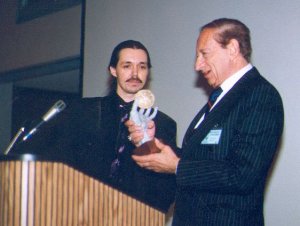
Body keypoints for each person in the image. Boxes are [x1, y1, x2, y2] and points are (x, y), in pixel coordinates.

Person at [126, 18, 284, 225]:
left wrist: (177, 167)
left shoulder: (261, 95)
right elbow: (203, 157)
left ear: (233, 48)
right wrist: (155, 145)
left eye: (204, 54)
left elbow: (242, 174)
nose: (197, 65)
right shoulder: (221, 98)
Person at [54, 40, 178, 212]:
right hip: (82, 212)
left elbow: (166, 184)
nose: (135, 73)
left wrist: (148, 145)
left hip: (137, 216)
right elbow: (62, 164)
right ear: (113, 70)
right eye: (127, 66)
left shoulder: (164, 123)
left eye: (142, 67)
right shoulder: (84, 111)